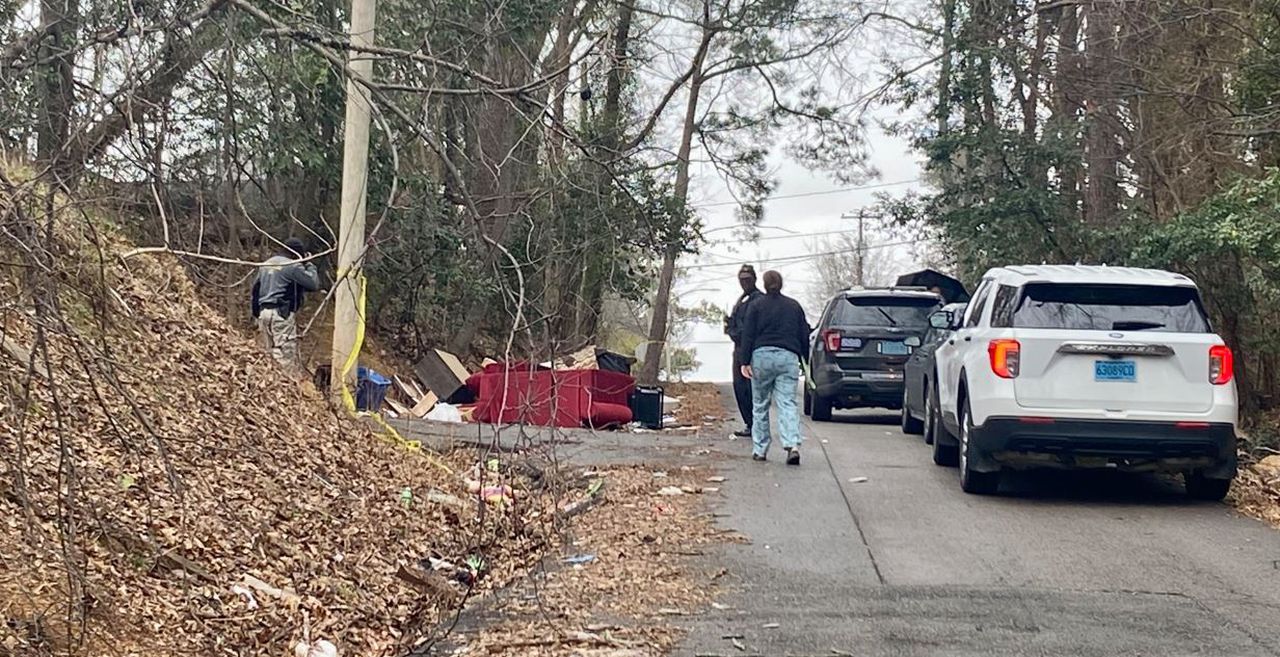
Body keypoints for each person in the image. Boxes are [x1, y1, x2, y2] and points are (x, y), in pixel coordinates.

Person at [738, 270, 810, 466]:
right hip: (788, 356)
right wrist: (805, 358)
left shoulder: (756, 305)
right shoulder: (794, 306)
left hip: (761, 357)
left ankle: (760, 449)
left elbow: (748, 334)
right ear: (781, 284)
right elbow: (804, 333)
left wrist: (744, 361)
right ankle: (792, 445)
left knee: (760, 404)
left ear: (764, 283)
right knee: (787, 402)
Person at [251, 237, 320, 373]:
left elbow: (255, 290)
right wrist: (310, 264)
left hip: (263, 313)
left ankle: (266, 383)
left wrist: (255, 313)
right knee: (284, 357)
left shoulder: (265, 264)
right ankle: (280, 389)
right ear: (297, 254)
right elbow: (313, 284)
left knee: (267, 354)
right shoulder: (293, 266)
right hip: (282, 314)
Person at [724, 264, 764, 437]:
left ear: (754, 279)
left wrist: (736, 331)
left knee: (751, 388)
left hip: (752, 350)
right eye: (741, 280)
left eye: (747, 279)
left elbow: (750, 328)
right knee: (740, 387)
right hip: (739, 349)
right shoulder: (742, 300)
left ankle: (756, 424)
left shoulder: (759, 300)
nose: (744, 283)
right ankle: (750, 423)